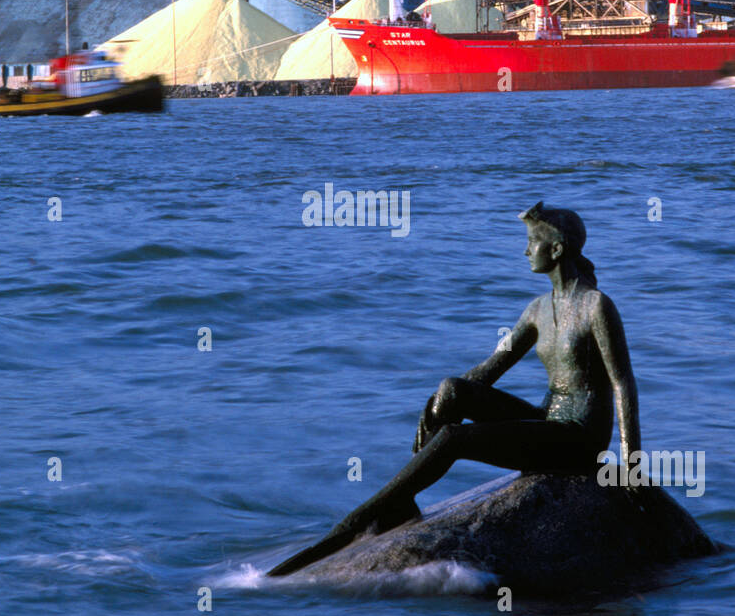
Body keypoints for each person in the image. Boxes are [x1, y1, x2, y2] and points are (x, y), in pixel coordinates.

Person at [268, 201, 641, 578]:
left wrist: (631, 467)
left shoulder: (596, 307)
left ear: (557, 249)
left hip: (578, 439)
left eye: (532, 242)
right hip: (548, 422)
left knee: (454, 439)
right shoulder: (537, 311)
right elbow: (490, 368)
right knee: (452, 389)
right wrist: (438, 401)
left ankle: (359, 520)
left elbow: (622, 382)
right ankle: (401, 504)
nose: (526, 251)